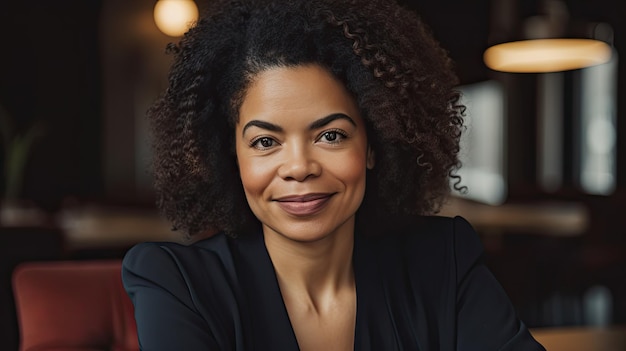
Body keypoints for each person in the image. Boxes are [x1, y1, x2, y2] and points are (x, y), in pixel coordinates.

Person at [122, 0, 545, 349]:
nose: (299, 167)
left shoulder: (442, 261)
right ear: (231, 158)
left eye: (330, 135)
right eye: (265, 142)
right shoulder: (176, 282)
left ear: (375, 146)